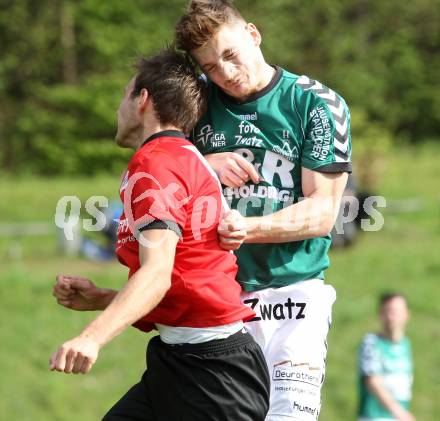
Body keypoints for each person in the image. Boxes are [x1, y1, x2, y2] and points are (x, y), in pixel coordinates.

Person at [49, 49, 270, 421]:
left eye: (125, 94)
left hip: (214, 380)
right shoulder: (185, 156)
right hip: (182, 362)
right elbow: (183, 276)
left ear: (143, 100)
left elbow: (157, 274)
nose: (119, 107)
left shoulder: (155, 164)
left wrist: (92, 337)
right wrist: (105, 298)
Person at [173, 1, 352, 420]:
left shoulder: (316, 104)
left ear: (253, 34)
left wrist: (246, 228)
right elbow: (146, 152)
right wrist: (202, 163)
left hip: (295, 298)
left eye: (230, 54)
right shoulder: (194, 104)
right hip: (220, 302)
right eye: (211, 66)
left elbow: (323, 212)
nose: (226, 73)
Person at [358, 293, 415, 421]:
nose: (392, 316)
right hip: (374, 417)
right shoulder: (371, 342)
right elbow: (373, 380)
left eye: (396, 311)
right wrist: (400, 413)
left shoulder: (406, 345)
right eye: (388, 311)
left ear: (406, 314)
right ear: (380, 314)